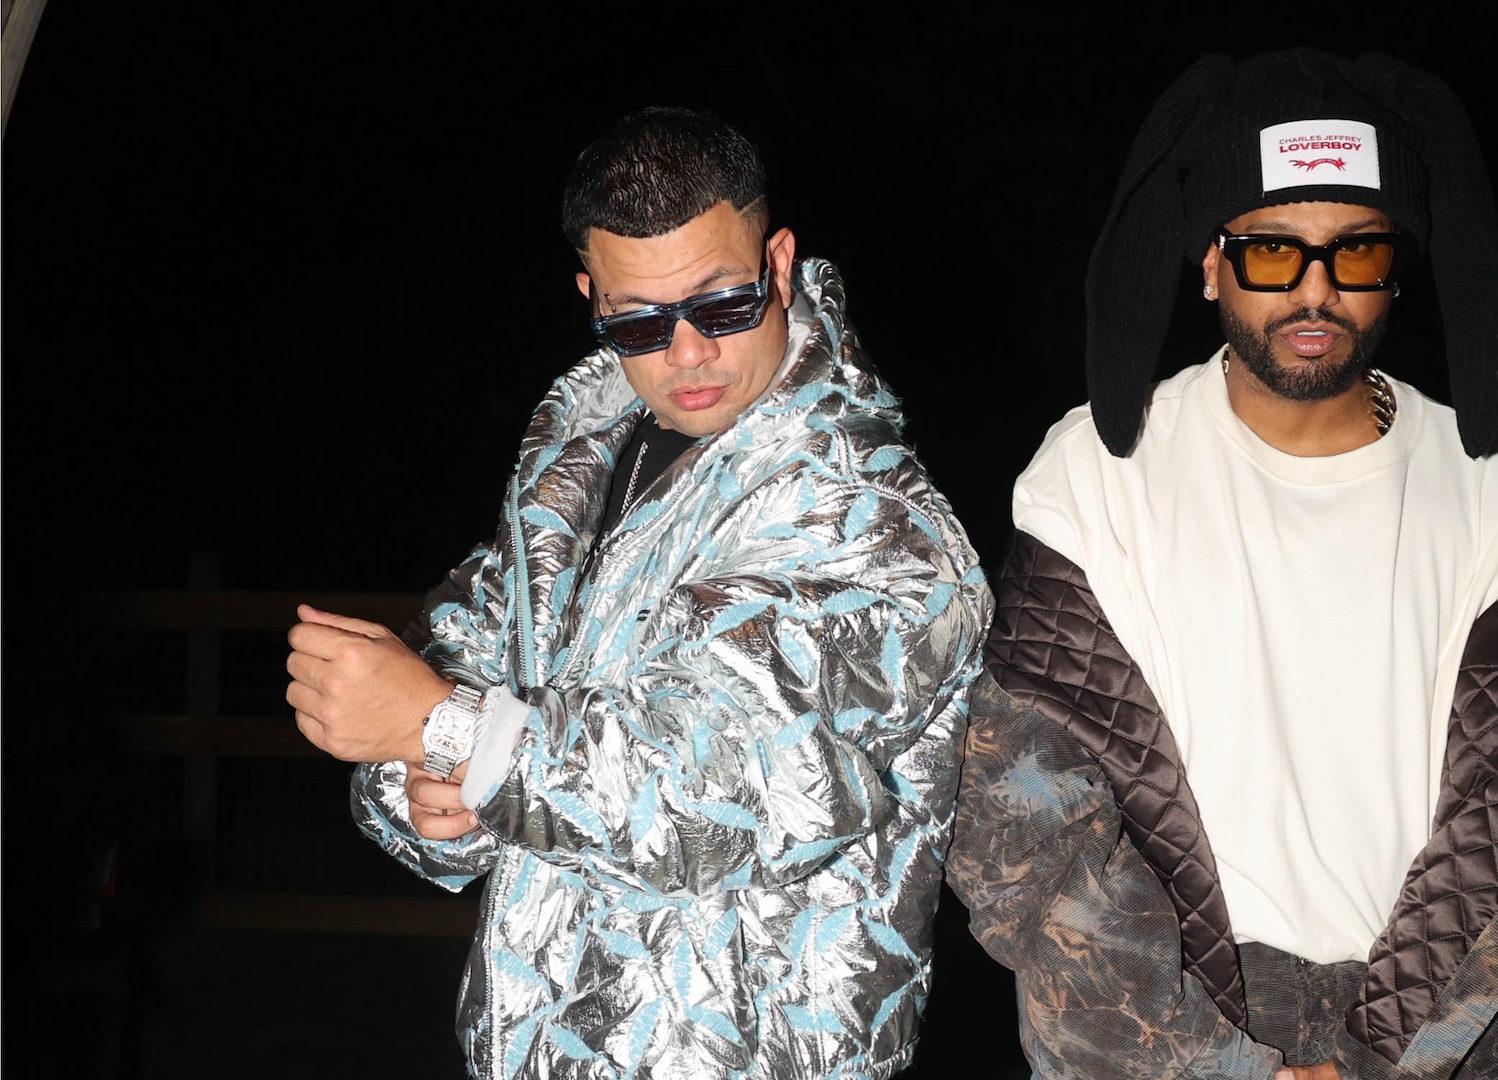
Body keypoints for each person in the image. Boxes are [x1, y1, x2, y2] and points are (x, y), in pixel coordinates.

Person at [945, 49, 1498, 1080]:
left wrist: (1374, 1056)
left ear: (1396, 264)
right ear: (1212, 260)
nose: (1316, 291)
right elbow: (1029, 827)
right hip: (1169, 1028)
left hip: (1435, 1040)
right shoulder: (1094, 476)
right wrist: (1221, 1065)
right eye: (1273, 251)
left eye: (1354, 253)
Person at [286, 107, 990, 1080]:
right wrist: (423, 788)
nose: (687, 351)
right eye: (639, 319)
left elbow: (711, 796)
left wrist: (448, 731)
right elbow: (451, 677)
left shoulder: (876, 526)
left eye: (724, 304)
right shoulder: (575, 477)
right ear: (591, 297)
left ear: (778, 264)